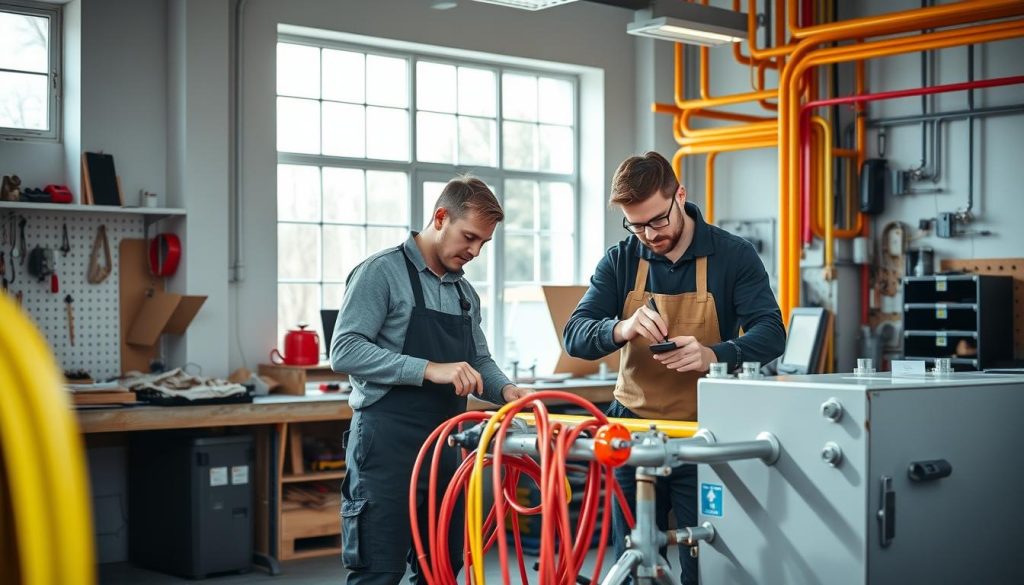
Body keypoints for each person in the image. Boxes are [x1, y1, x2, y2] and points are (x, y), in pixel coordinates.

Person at [563, 151, 785, 584]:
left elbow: (772, 333)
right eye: (636, 224)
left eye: (658, 220)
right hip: (631, 433)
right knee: (630, 557)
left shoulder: (733, 255)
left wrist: (715, 354)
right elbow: (575, 335)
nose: (648, 234)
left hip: (704, 435)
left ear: (679, 195)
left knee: (705, 559)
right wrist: (621, 327)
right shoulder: (621, 260)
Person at [331, 176, 532, 585]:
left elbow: (479, 359)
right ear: (441, 217)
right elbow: (345, 350)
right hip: (386, 447)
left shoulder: (465, 294)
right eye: (469, 237)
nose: (475, 251)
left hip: (444, 448)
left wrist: (506, 391)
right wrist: (428, 368)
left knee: (441, 568)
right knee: (378, 570)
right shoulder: (381, 273)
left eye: (483, 243)